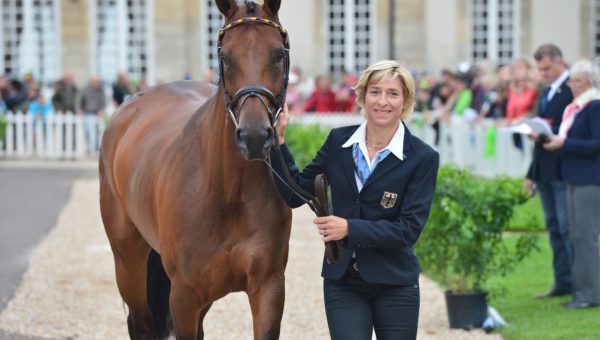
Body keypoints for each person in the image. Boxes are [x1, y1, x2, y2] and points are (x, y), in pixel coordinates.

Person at [271, 60, 439, 339]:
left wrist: (350, 228)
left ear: (405, 100)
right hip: (343, 281)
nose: (382, 101)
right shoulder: (339, 142)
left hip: (395, 283)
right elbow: (295, 193)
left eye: (392, 93)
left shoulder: (422, 158)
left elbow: (409, 229)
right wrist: (278, 143)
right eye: (375, 92)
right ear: (362, 96)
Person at [544, 59, 600, 309]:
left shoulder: (594, 106)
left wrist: (564, 144)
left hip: (589, 179)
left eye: (578, 81)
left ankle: (590, 294)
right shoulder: (575, 107)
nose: (573, 85)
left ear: (590, 82)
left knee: (585, 237)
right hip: (573, 177)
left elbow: (596, 144)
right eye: (572, 81)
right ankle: (581, 292)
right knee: (576, 237)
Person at [525, 44, 574, 299]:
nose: (543, 73)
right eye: (540, 69)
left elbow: (571, 130)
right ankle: (562, 280)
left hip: (563, 168)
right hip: (544, 168)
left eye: (546, 68)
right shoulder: (547, 90)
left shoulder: (571, 90)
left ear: (559, 61)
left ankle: (580, 281)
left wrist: (547, 133)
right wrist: (531, 173)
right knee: (554, 228)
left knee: (568, 228)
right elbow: (542, 134)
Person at [77, 74, 106, 154]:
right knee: (88, 130)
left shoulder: (100, 90)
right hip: (88, 112)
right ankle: (90, 147)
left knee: (99, 131)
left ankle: (97, 148)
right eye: (94, 81)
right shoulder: (85, 89)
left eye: (97, 81)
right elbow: (79, 99)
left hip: (97, 113)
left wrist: (102, 110)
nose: (95, 83)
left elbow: (103, 101)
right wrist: (79, 109)